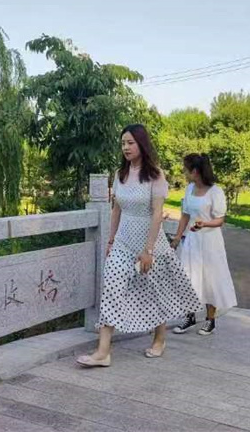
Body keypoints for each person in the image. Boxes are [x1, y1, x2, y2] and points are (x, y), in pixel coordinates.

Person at [76, 124, 201, 367]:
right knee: (111, 289)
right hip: (123, 243)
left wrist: (148, 250)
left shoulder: (155, 175)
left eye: (130, 142)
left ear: (142, 144)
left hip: (150, 243)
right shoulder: (120, 174)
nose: (126, 147)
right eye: (123, 143)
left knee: (154, 290)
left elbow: (157, 214)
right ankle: (103, 352)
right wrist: (111, 241)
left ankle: (160, 339)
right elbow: (116, 210)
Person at [170, 154, 237, 336]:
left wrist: (204, 224)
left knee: (210, 278)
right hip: (192, 240)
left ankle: (210, 319)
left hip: (210, 242)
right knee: (189, 277)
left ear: (195, 171)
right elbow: (185, 215)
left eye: (186, 170)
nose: (184, 173)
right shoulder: (189, 189)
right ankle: (189, 316)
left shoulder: (215, 191)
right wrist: (177, 237)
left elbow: (220, 220)